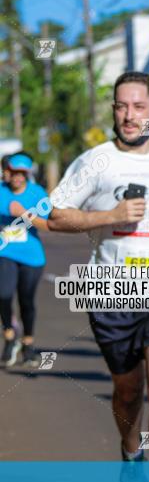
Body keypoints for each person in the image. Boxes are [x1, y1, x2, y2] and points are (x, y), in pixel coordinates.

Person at [48, 71, 149, 482]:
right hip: (112, 290)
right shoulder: (96, 161)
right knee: (128, 390)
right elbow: (55, 215)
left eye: (137, 107)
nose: (128, 115)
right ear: (114, 109)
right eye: (121, 106)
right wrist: (109, 215)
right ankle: (130, 450)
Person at [0, 154, 50, 368]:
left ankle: (28, 343)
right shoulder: (1, 191)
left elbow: (48, 225)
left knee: (26, 300)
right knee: (3, 294)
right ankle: (10, 336)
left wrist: (24, 214)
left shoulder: (37, 194)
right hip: (5, 252)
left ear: (27, 175)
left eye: (22, 174)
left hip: (31, 256)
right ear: (8, 172)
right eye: (14, 172)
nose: (17, 178)